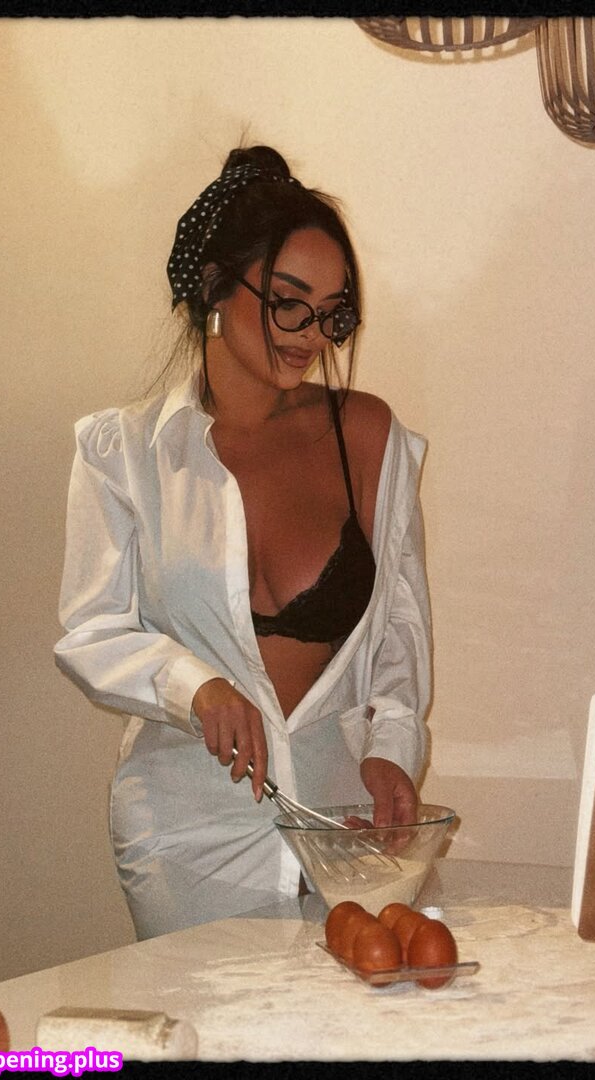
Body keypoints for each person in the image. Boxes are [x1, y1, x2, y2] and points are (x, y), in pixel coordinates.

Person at [54, 145, 432, 938]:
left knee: (349, 1006)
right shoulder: (122, 453)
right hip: (185, 827)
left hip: (341, 814)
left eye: (332, 312)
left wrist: (392, 748)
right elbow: (91, 630)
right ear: (214, 284)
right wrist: (194, 685)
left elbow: (399, 620)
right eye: (289, 303)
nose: (312, 335)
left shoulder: (367, 435)